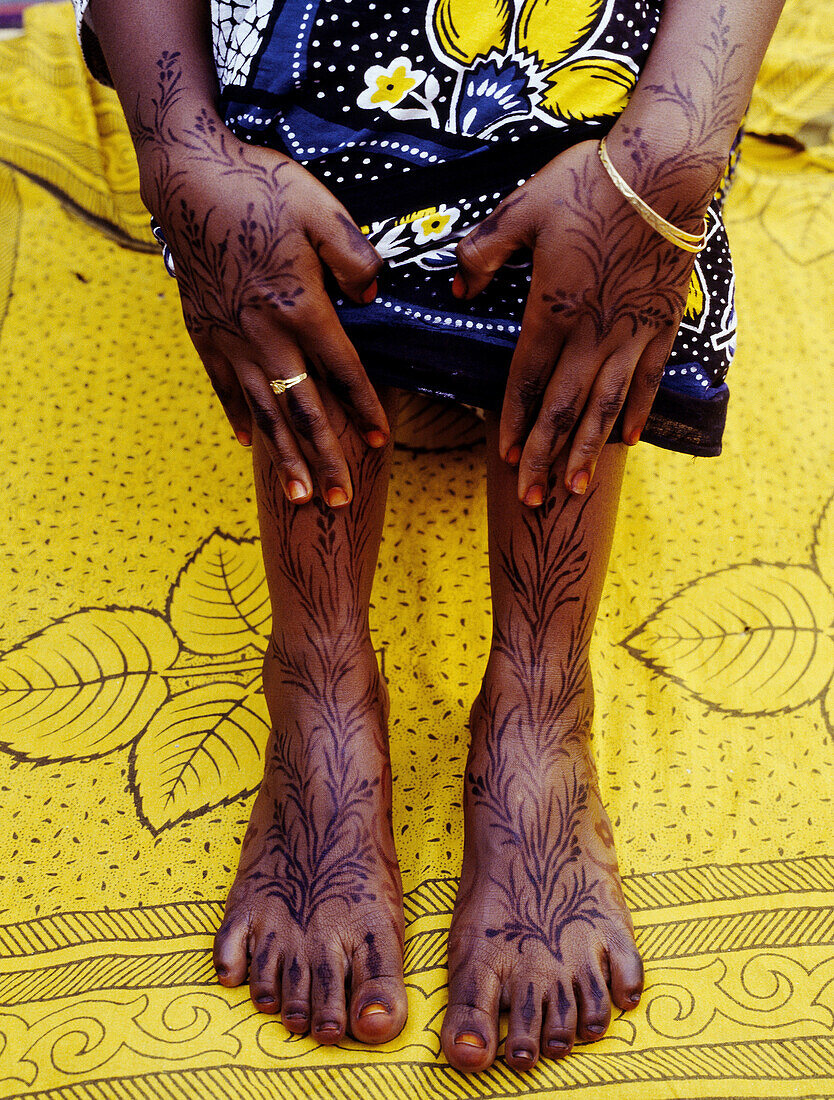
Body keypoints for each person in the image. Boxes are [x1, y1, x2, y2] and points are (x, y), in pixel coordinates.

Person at [74, 0, 784, 1073]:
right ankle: (319, 679)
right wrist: (181, 150)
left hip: (595, 171)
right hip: (282, 174)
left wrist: (674, 149)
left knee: (564, 72)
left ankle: (538, 699)